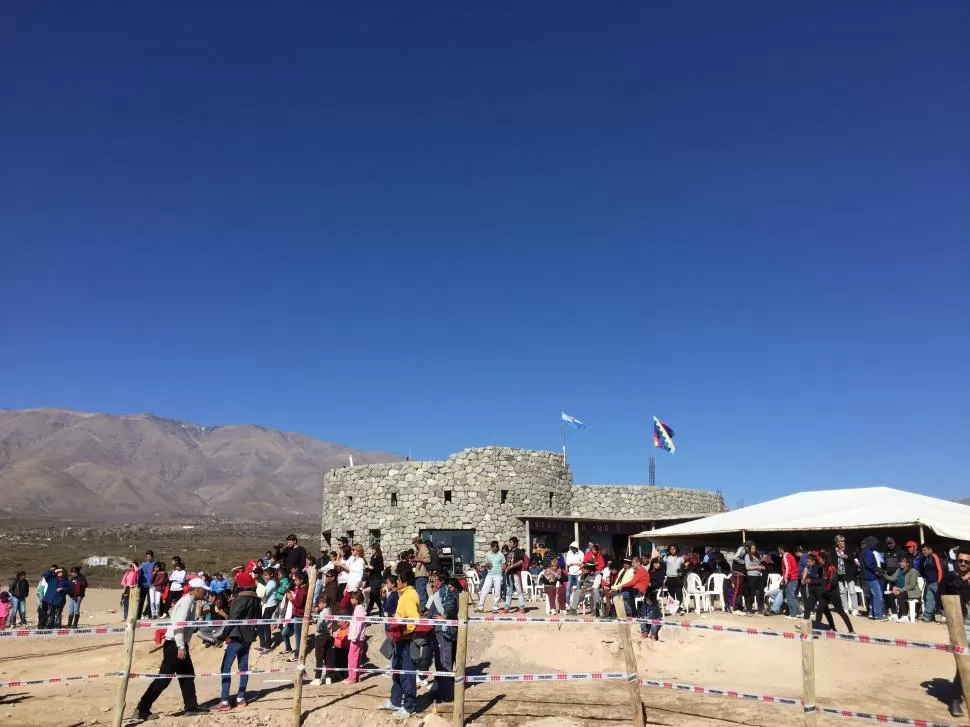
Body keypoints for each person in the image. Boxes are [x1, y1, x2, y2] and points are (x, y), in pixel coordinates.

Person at [134, 577, 209, 721]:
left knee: (187, 675)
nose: (205, 593)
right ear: (198, 590)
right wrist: (181, 646)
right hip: (174, 644)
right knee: (164, 679)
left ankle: (191, 706)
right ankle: (142, 708)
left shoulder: (191, 602)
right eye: (204, 590)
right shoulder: (186, 602)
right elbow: (178, 626)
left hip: (179, 643)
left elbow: (186, 625)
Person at [211, 572, 261, 712]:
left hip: (236, 636)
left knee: (225, 668)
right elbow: (259, 618)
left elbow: (233, 618)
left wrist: (224, 634)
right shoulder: (256, 599)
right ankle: (241, 698)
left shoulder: (241, 599)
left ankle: (225, 701)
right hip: (248, 637)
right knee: (243, 667)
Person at [381, 564, 419, 718]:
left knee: (407, 674)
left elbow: (414, 620)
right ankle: (395, 701)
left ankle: (409, 706)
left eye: (398, 580)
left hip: (406, 640)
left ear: (404, 582)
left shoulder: (409, 596)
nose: (396, 582)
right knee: (396, 670)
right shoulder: (403, 594)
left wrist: (403, 632)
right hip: (399, 639)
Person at [943, 548, 970, 718]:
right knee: (963, 663)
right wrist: (963, 581)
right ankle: (955, 699)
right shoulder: (952, 578)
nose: (962, 564)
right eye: (960, 561)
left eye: (966, 562)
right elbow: (946, 593)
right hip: (962, 626)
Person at [813, 551, 854, 633]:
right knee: (821, 610)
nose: (819, 561)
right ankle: (821, 630)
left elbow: (833, 582)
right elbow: (823, 581)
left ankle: (851, 630)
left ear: (824, 559)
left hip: (833, 593)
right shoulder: (823, 567)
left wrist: (826, 589)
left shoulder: (831, 568)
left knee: (840, 611)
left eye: (820, 559)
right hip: (825, 593)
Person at [883, 555, 921, 621]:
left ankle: (905, 616)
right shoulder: (899, 570)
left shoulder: (913, 571)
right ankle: (895, 614)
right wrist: (883, 574)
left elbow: (912, 585)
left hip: (912, 591)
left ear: (907, 563)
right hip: (902, 590)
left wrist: (900, 590)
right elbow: (892, 578)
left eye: (903, 562)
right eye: (900, 562)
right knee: (891, 595)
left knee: (900, 596)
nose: (901, 563)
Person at [281, 571, 308, 660]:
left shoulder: (304, 590)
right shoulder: (297, 588)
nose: (295, 581)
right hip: (293, 614)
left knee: (297, 636)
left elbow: (299, 603)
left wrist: (291, 599)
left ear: (301, 580)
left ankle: (297, 655)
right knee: (284, 633)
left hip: (299, 615)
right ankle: (288, 648)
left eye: (296, 580)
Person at [831, 536, 860, 616]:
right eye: (841, 541)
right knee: (842, 591)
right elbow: (832, 561)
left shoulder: (849, 549)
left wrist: (846, 557)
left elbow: (854, 560)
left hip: (849, 573)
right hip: (839, 573)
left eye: (843, 541)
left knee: (852, 591)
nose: (843, 543)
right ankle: (845, 608)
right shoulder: (833, 551)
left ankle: (855, 609)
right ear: (837, 543)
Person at [858, 538, 886, 620]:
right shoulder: (868, 552)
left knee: (872, 596)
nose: (876, 545)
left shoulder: (863, 552)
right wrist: (879, 570)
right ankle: (877, 614)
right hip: (870, 577)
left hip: (865, 578)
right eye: (875, 543)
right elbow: (869, 564)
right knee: (878, 595)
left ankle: (872, 613)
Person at [477, 540, 506, 613]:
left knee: (497, 591)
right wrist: (487, 566)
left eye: (496, 546)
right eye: (493, 546)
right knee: (484, 590)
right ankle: (480, 607)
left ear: (498, 547)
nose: (495, 548)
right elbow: (486, 564)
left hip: (498, 575)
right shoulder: (488, 554)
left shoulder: (501, 554)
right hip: (489, 574)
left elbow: (504, 564)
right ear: (491, 547)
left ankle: (495, 608)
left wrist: (503, 568)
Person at [918, 543, 944, 623]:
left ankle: (944, 615)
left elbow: (940, 570)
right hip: (929, 583)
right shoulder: (925, 558)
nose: (923, 552)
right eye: (922, 550)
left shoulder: (934, 557)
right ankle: (927, 617)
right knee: (929, 599)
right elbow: (921, 568)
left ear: (929, 549)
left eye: (925, 550)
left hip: (936, 582)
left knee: (940, 600)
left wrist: (938, 582)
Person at [501, 536, 527, 614]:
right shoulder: (509, 552)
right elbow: (507, 562)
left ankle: (522, 607)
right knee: (509, 591)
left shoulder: (519, 551)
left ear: (515, 544)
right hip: (509, 574)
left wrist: (512, 566)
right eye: (509, 542)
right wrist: (504, 566)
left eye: (511, 542)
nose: (509, 544)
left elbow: (521, 561)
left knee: (519, 591)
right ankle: (507, 608)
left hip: (515, 574)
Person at [257, 567, 279, 653]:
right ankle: (264, 644)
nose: (265, 577)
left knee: (265, 625)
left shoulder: (271, 583)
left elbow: (264, 594)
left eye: (266, 575)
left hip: (270, 605)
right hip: (268, 605)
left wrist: (259, 588)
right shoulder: (270, 582)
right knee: (263, 624)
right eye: (264, 575)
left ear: (271, 575)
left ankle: (268, 646)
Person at [778, 544, 800, 618]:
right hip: (794, 578)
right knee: (792, 597)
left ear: (782, 549)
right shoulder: (790, 556)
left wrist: (786, 579)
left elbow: (788, 568)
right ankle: (799, 612)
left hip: (791, 579)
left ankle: (793, 614)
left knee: (790, 597)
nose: (778, 551)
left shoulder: (786, 556)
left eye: (779, 549)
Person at [742, 543, 765, 615]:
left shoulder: (757, 556)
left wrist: (761, 567)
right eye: (752, 548)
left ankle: (760, 609)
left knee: (761, 592)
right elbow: (747, 567)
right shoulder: (747, 556)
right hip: (751, 576)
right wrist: (758, 567)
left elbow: (760, 564)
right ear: (749, 549)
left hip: (758, 575)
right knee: (752, 593)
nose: (753, 549)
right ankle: (749, 609)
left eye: (754, 548)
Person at [412, 537, 432, 610]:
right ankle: (425, 609)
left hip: (422, 575)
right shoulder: (419, 550)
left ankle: (423, 610)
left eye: (414, 543)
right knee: (422, 593)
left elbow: (428, 559)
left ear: (417, 542)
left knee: (421, 594)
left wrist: (418, 559)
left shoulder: (423, 549)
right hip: (420, 574)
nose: (414, 545)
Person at [366, 544, 385, 616]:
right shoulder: (372, 557)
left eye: (372, 549)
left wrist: (373, 568)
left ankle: (368, 612)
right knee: (374, 595)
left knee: (373, 594)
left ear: (376, 550)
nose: (371, 551)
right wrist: (367, 568)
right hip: (371, 578)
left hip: (377, 578)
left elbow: (381, 568)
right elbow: (371, 568)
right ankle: (381, 609)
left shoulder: (379, 557)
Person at [137, 550, 156, 620]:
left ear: (152, 556)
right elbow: (139, 573)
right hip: (142, 585)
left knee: (150, 600)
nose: (149, 558)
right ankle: (138, 615)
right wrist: (138, 583)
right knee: (141, 601)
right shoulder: (144, 564)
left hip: (151, 585)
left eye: (150, 556)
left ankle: (148, 614)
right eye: (147, 557)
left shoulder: (155, 564)